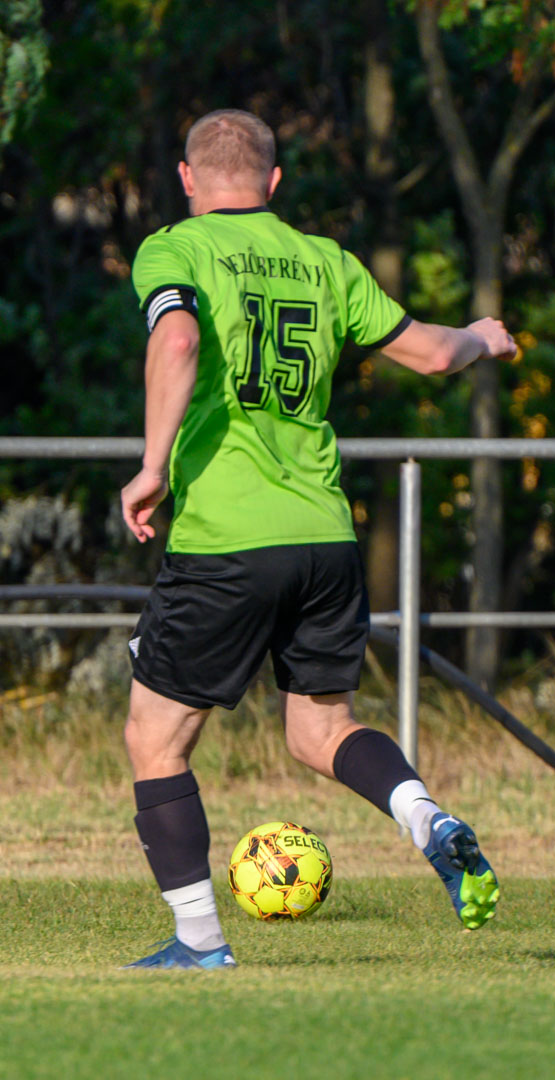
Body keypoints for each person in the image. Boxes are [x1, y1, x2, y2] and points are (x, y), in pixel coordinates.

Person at [119, 109, 516, 969]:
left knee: (155, 737)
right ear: (273, 182)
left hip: (227, 536)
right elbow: (433, 355)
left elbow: (177, 338)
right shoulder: (324, 259)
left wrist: (152, 465)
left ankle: (199, 942)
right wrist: (482, 339)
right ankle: (424, 817)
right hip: (325, 535)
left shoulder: (175, 248)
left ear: (187, 179)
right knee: (318, 730)